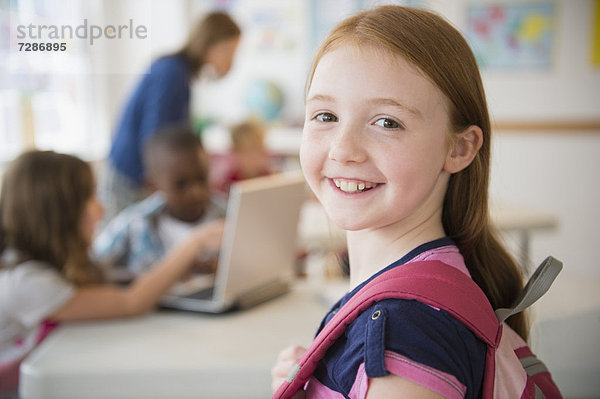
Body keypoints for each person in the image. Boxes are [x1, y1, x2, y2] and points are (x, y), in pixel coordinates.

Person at [271, 6, 528, 398]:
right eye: (325, 115)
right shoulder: (407, 310)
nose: (344, 149)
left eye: (387, 123)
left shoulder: (400, 335)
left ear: (459, 147)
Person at [0, 150, 224, 393]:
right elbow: (130, 303)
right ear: (58, 214)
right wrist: (194, 243)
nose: (101, 208)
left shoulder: (43, 267)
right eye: (90, 198)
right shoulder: (24, 282)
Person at [98, 11, 241, 221]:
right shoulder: (172, 72)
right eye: (228, 51)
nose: (230, 61)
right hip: (129, 177)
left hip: (136, 175)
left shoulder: (180, 73)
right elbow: (156, 137)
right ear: (210, 44)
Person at [94, 124, 224, 276]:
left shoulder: (229, 215)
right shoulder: (133, 225)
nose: (195, 192)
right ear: (152, 184)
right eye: (180, 184)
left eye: (201, 179)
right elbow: (92, 268)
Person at [211, 120, 272, 195]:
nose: (254, 157)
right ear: (235, 153)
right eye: (247, 152)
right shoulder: (228, 185)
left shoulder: (271, 180)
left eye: (257, 149)